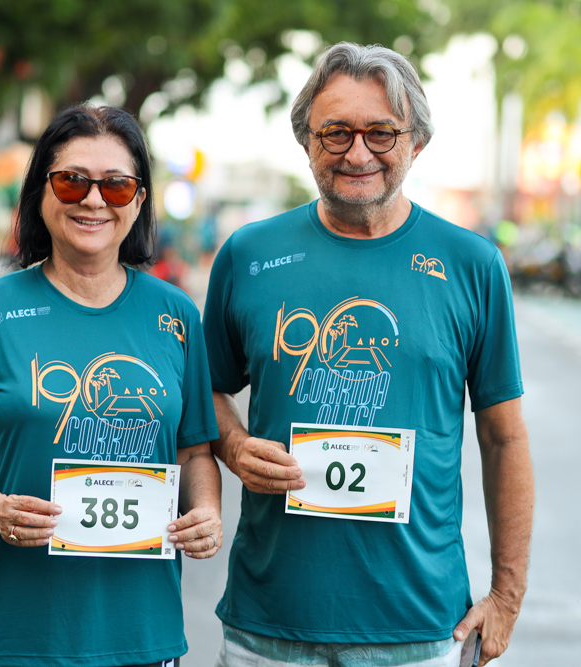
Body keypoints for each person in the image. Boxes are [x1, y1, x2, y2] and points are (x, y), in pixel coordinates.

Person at [202, 43, 534, 667]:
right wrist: (235, 446)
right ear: (306, 141)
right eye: (336, 133)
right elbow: (205, 390)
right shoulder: (248, 255)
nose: (358, 153)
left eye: (381, 133)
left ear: (417, 143)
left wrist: (507, 597)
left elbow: (504, 438)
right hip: (268, 625)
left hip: (420, 632)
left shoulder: (472, 264)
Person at [0, 105, 223, 667]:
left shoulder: (177, 314)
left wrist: (206, 510)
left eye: (116, 185)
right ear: (41, 192)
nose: (93, 200)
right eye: (72, 181)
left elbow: (196, 452)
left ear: (139, 200)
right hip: (19, 635)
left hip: (143, 633)